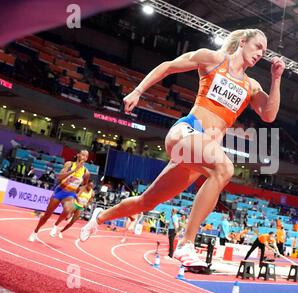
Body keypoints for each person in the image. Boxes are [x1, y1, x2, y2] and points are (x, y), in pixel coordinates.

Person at [79, 28, 285, 268]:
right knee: (225, 168)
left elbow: (269, 115)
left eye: (265, 50)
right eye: (258, 46)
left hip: (200, 152)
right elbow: (168, 66)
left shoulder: (251, 86)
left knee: (147, 202)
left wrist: (277, 78)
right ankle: (186, 243)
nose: (261, 52)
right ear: (243, 42)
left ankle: (99, 217)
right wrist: (138, 91)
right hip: (186, 132)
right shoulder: (214, 59)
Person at [28, 150, 89, 242]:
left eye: (86, 156)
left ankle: (55, 225)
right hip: (60, 191)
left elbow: (84, 185)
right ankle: (35, 232)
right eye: (83, 155)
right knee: (46, 216)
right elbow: (59, 177)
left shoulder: (86, 172)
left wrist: (78, 195)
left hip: (70, 194)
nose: (84, 157)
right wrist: (74, 171)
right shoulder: (69, 164)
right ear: (78, 155)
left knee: (68, 210)